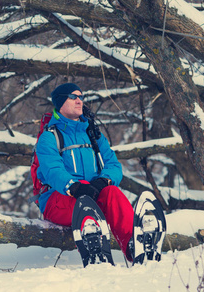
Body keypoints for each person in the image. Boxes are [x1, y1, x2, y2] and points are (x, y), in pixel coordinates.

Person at [35, 83, 134, 261]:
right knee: (85, 193)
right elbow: (52, 170)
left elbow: (113, 164)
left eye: (81, 96)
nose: (79, 101)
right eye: (73, 97)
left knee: (112, 191)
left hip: (92, 197)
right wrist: (74, 187)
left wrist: (104, 180)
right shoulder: (49, 137)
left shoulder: (92, 134)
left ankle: (133, 244)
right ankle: (94, 249)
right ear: (60, 102)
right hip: (58, 201)